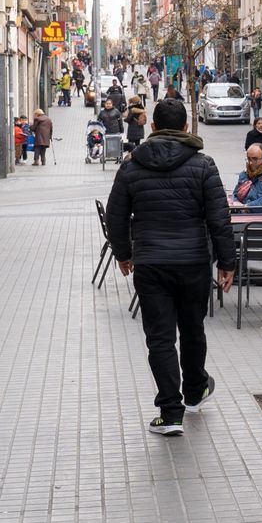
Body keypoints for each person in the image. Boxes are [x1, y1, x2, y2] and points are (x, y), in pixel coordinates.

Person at [104, 98, 236, 437]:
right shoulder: (203, 165)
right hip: (193, 261)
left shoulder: (132, 166)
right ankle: (195, 390)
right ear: (185, 126)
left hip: (151, 264)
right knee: (193, 329)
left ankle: (170, 412)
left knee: (159, 337)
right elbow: (219, 218)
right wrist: (227, 262)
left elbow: (116, 214)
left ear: (152, 127)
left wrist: (123, 253)